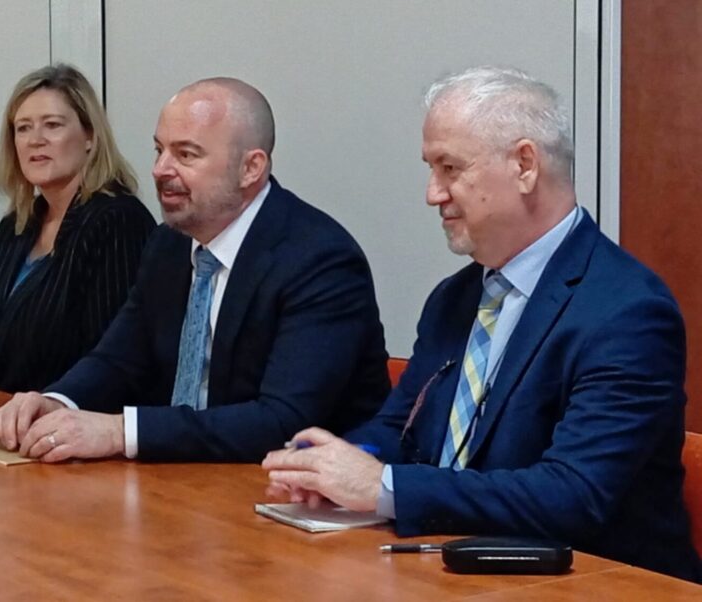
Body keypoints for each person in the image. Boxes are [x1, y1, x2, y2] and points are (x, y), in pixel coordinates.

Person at [263, 66, 702, 582]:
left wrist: (383, 487)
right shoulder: (455, 297)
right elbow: (401, 429)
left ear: (524, 166)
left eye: (450, 168)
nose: (433, 194)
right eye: (431, 169)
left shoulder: (626, 312)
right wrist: (335, 463)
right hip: (454, 568)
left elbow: (574, 495)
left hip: (599, 582)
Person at [0, 77, 390, 463]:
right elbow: (118, 359)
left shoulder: (318, 259)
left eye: (186, 155)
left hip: (289, 491)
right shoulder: (169, 244)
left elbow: (282, 421)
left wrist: (120, 432)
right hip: (182, 481)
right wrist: (57, 401)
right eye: (158, 150)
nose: (160, 169)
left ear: (251, 168)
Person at [0, 64, 155, 392]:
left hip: (67, 416)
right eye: (23, 128)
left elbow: (110, 360)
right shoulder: (17, 224)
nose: (35, 140)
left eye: (53, 125)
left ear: (89, 136)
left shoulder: (117, 221)